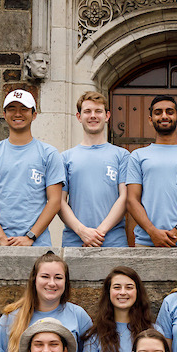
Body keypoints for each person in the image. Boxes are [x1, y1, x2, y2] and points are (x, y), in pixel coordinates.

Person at [0, 88, 66, 247]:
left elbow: (55, 201)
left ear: (34, 115)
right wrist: (1, 238)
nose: (17, 114)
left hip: (38, 244)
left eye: (24, 109)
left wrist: (30, 237)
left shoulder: (49, 154)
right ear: (4, 114)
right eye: (12, 109)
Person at [0, 251, 92, 352]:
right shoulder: (11, 318)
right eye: (45, 276)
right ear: (34, 279)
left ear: (66, 282)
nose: (52, 283)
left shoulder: (78, 315)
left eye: (58, 277)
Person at [126, 95, 177, 247]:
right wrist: (152, 232)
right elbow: (132, 200)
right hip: (147, 242)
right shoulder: (138, 156)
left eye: (169, 112)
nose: (164, 116)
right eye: (158, 112)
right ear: (151, 119)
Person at [60, 92, 130, 248]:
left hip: (113, 241)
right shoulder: (65, 158)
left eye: (98, 111)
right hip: (75, 240)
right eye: (87, 111)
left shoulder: (122, 155)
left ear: (107, 116)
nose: (93, 116)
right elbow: (59, 201)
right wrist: (82, 231)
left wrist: (99, 233)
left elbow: (125, 198)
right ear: (79, 117)